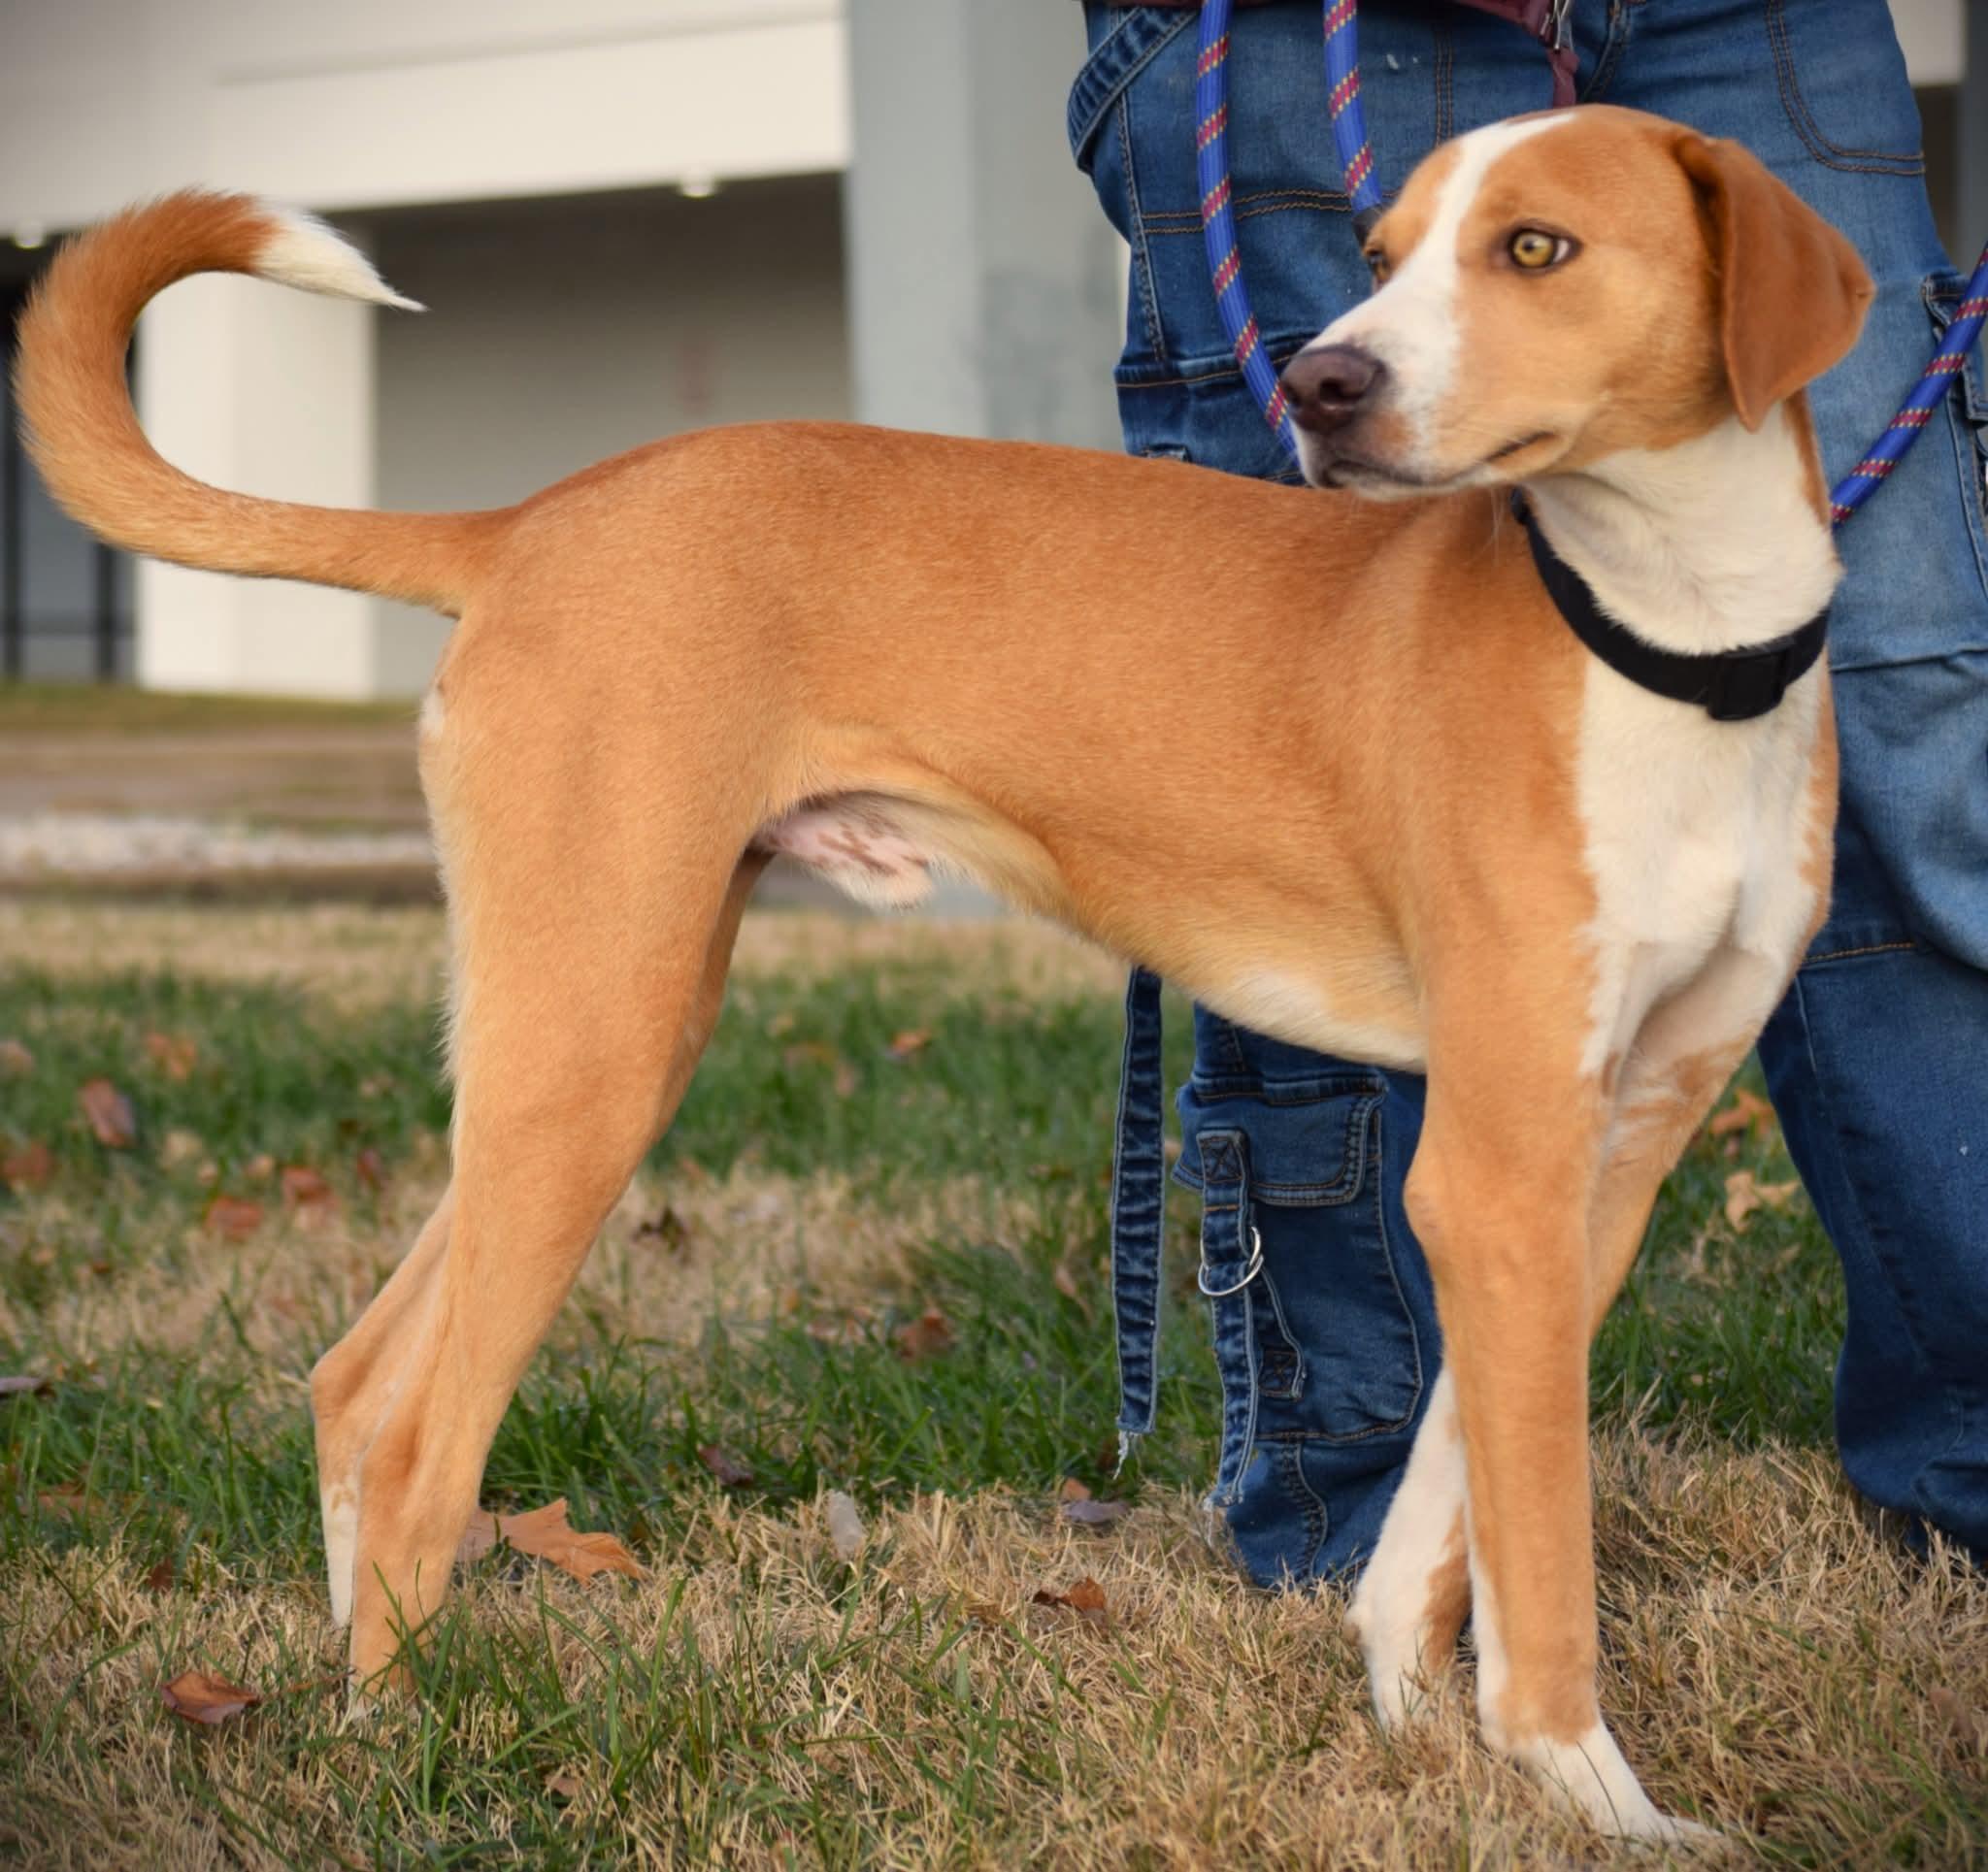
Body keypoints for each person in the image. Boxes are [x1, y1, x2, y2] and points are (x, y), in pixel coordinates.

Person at [1067, 0, 1988, 1586]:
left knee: (1908, 699)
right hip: (1311, 24)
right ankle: (1372, 1526)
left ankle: (1966, 1454)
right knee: (1321, 760)